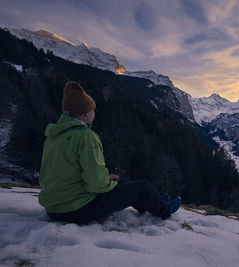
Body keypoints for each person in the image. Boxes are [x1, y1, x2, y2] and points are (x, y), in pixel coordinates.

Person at [38, 81, 180, 224]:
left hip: (54, 209)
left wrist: (108, 180)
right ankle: (165, 211)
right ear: (86, 114)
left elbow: (65, 171)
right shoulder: (86, 137)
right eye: (93, 109)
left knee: (120, 182)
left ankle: (152, 203)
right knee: (142, 187)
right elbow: (96, 184)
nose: (94, 112)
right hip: (77, 209)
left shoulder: (54, 136)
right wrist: (106, 182)